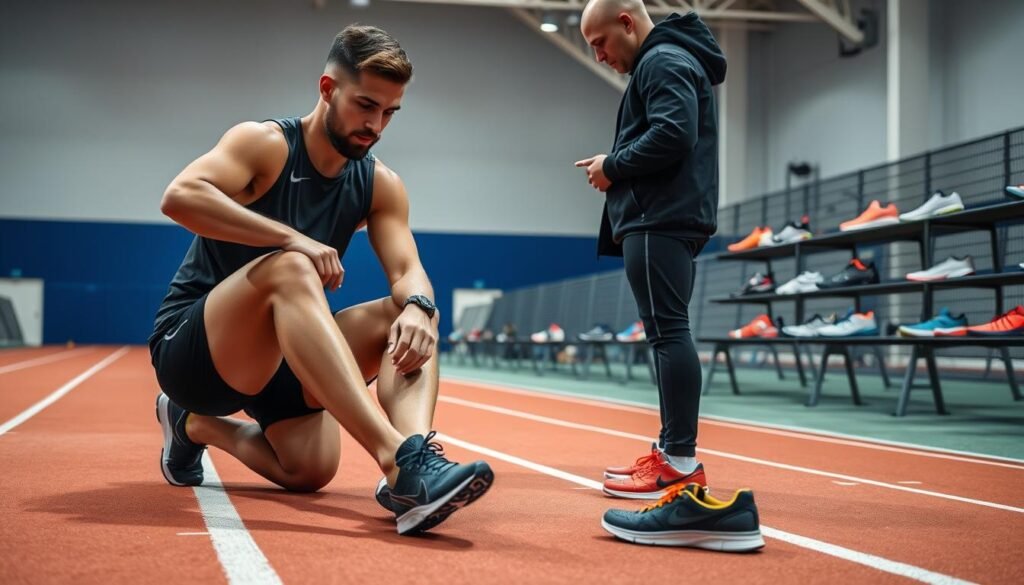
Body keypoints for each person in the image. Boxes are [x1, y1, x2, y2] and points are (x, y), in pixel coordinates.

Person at [149, 24, 492, 535]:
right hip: (199, 352)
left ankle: (193, 424)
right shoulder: (264, 145)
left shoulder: (380, 183)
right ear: (328, 90)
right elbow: (180, 196)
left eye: (389, 113)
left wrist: (421, 304)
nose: (376, 125)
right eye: (366, 106)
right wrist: (293, 238)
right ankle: (397, 460)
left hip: (282, 358)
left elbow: (405, 268)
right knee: (291, 266)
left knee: (311, 467)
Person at [575, 0, 726, 501]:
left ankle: (679, 460)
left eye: (600, 43)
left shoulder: (661, 60)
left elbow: (674, 132)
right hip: (666, 215)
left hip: (659, 217)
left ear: (626, 22)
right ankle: (671, 452)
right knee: (668, 331)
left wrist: (613, 165)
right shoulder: (671, 59)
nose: (599, 57)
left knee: (668, 333)